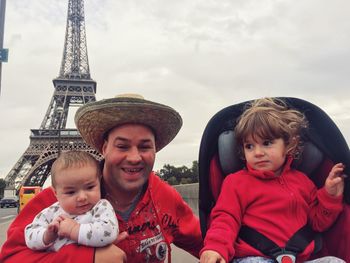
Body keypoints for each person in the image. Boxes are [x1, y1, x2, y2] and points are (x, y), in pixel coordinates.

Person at [0, 93, 203, 263]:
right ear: (104, 148)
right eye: (122, 146)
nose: (134, 157)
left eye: (144, 146)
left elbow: (206, 242)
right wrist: (88, 257)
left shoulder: (164, 195)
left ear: (155, 149)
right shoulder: (57, 199)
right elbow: (10, 257)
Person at [199, 98, 346, 263]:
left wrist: (330, 196)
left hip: (300, 258)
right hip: (254, 258)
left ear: (288, 145)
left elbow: (317, 222)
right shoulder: (236, 182)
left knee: (334, 261)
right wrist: (215, 248)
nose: (258, 152)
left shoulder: (303, 182)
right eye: (249, 146)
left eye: (267, 143)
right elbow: (225, 218)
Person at [25, 151, 118, 251]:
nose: (82, 197)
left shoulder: (101, 207)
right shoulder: (50, 212)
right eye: (71, 192)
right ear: (56, 193)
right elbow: (30, 234)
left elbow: (109, 231)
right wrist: (46, 236)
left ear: (99, 182)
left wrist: (74, 230)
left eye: (90, 187)